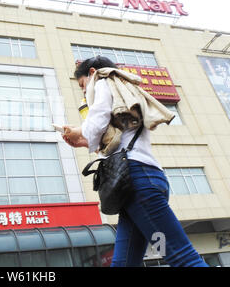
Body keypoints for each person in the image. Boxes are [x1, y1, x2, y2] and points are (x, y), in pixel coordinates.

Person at [63, 56, 208, 267]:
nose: (84, 91)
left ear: (93, 72)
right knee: (123, 263)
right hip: (139, 183)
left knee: (180, 256)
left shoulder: (103, 80)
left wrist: (79, 132)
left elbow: (95, 123)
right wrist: (84, 142)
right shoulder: (125, 91)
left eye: (83, 84)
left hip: (136, 182)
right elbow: (114, 139)